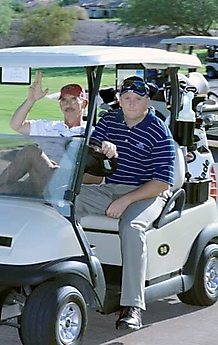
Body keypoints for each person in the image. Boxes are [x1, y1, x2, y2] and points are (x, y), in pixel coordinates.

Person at [75, 75, 175, 331]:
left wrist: (127, 199)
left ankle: (132, 306)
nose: (131, 103)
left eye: (137, 99)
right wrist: (102, 151)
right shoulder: (108, 121)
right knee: (64, 206)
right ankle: (67, 276)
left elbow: (163, 182)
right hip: (108, 187)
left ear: (147, 102)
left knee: (131, 227)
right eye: (126, 98)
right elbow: (92, 162)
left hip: (146, 192)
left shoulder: (158, 128)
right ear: (119, 100)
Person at [0, 71, 89, 195]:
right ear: (60, 105)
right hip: (38, 182)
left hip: (63, 187)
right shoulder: (49, 126)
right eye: (64, 100)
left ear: (84, 103)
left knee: (31, 151)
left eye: (74, 99)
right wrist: (31, 100)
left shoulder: (91, 132)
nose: (68, 104)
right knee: (1, 191)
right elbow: (16, 125)